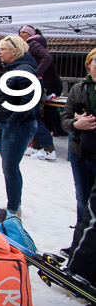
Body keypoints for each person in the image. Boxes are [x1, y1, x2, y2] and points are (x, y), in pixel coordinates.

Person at [0, 35, 38, 217]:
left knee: (10, 167)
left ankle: (13, 208)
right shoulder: (12, 69)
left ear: (15, 51)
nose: (0, 53)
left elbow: (29, 100)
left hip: (17, 125)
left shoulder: (25, 70)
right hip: (6, 123)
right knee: (8, 166)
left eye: (3, 49)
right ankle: (13, 204)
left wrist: (12, 122)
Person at [61, 48, 96, 234]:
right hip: (80, 150)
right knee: (82, 198)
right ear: (89, 64)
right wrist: (76, 123)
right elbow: (64, 121)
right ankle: (79, 242)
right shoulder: (78, 89)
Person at [19, 25, 65, 160]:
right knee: (31, 116)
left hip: (41, 84)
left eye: (24, 32)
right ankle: (37, 146)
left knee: (34, 117)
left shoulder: (33, 44)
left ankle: (49, 149)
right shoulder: (29, 45)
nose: (21, 34)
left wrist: (37, 73)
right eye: (20, 32)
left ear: (30, 34)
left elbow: (47, 57)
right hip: (38, 83)